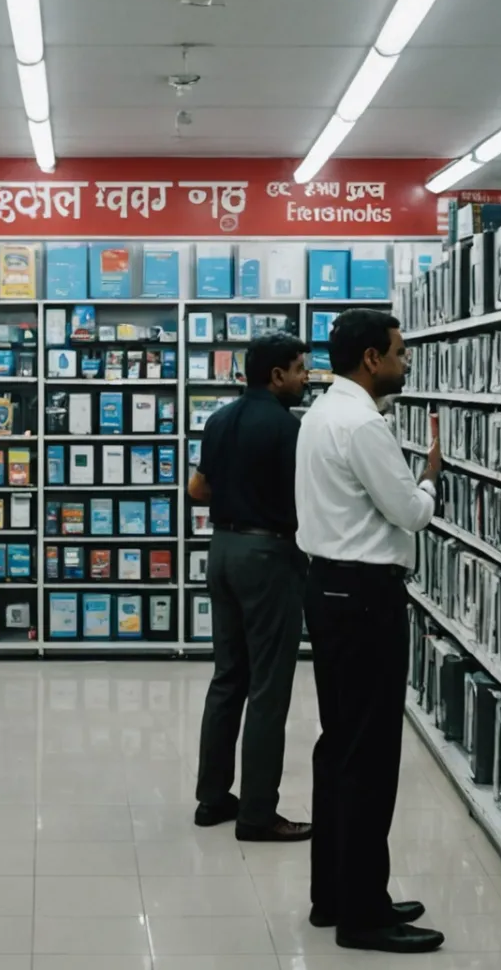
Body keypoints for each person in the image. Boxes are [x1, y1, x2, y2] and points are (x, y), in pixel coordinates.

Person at [295, 308, 444, 954]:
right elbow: (409, 513)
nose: (405, 362)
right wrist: (433, 476)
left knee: (340, 749)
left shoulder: (324, 413)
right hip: (364, 599)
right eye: (399, 351)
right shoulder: (364, 423)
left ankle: (336, 893)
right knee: (370, 758)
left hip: (328, 591)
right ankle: (364, 913)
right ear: (371, 360)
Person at [189, 331, 315, 842]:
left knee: (228, 679)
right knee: (268, 689)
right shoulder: (289, 429)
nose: (308, 378)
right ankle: (259, 813)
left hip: (222, 551)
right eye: (301, 369)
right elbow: (307, 496)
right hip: (268, 556)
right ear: (277, 375)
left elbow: (197, 489)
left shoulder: (219, 420)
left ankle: (212, 799)